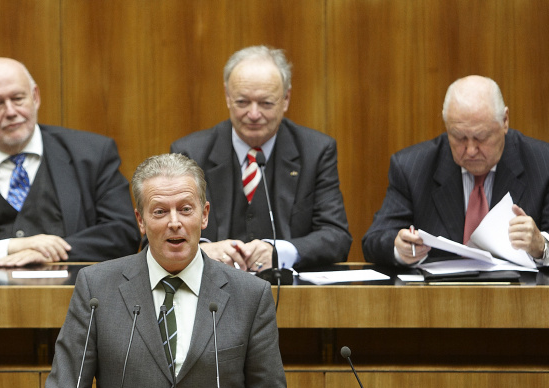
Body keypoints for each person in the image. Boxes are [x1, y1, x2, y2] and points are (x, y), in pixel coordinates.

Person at [34, 153, 294, 388]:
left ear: (204, 214)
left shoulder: (250, 295)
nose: (175, 222)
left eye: (185, 209)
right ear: (141, 221)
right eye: (160, 211)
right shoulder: (98, 287)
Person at [0, 57, 140, 266]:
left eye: (18, 98)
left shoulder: (93, 154)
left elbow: (123, 232)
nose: (11, 112)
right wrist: (11, 246)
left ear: (35, 97)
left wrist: (50, 252)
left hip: (76, 293)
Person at [171, 45, 351, 272]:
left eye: (266, 103)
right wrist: (202, 251)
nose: (254, 114)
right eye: (242, 102)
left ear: (285, 99)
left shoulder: (315, 151)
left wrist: (280, 252)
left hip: (290, 293)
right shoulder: (190, 153)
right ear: (228, 96)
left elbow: (336, 236)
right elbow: (159, 237)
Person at [363, 75, 549, 266]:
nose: (470, 150)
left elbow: (544, 245)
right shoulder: (412, 167)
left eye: (481, 137)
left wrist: (542, 247)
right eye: (459, 137)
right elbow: (374, 239)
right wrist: (400, 248)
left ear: (505, 121)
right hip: (438, 294)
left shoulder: (543, 164)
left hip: (518, 293)